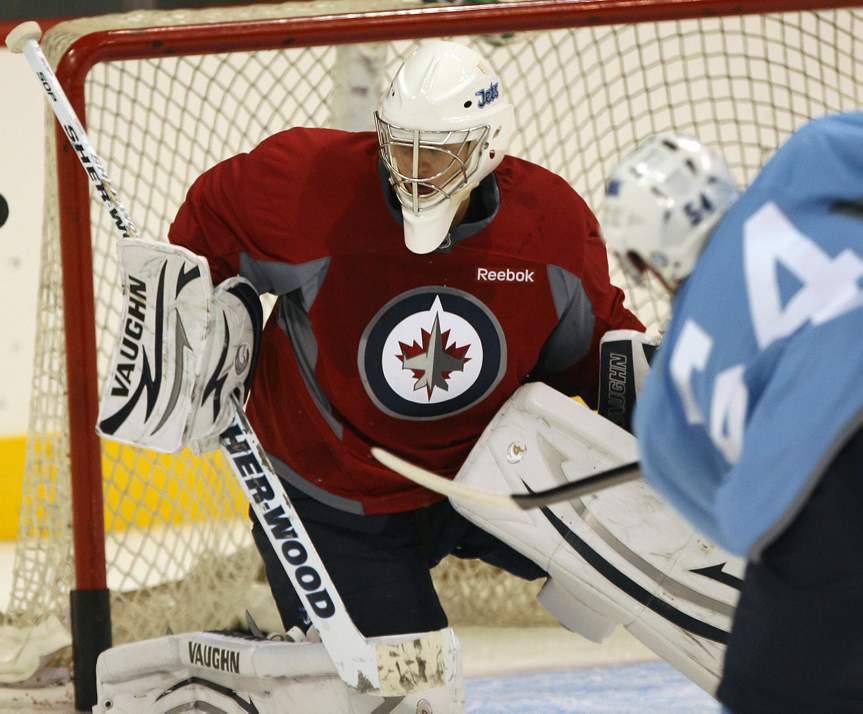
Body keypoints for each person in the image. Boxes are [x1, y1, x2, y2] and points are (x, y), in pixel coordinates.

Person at [168, 39, 643, 645]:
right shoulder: (309, 188)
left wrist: (656, 416)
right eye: (402, 148)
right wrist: (184, 325)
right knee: (403, 690)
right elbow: (201, 235)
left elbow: (595, 357)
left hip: (487, 475)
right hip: (334, 495)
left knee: (643, 571)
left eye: (439, 154)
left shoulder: (549, 227)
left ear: (487, 148)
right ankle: (278, 646)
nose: (415, 171)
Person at [601, 114, 863, 712]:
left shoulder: (668, 401)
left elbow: (733, 520)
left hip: (823, 517)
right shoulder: (809, 164)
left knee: (765, 690)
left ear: (646, 264)